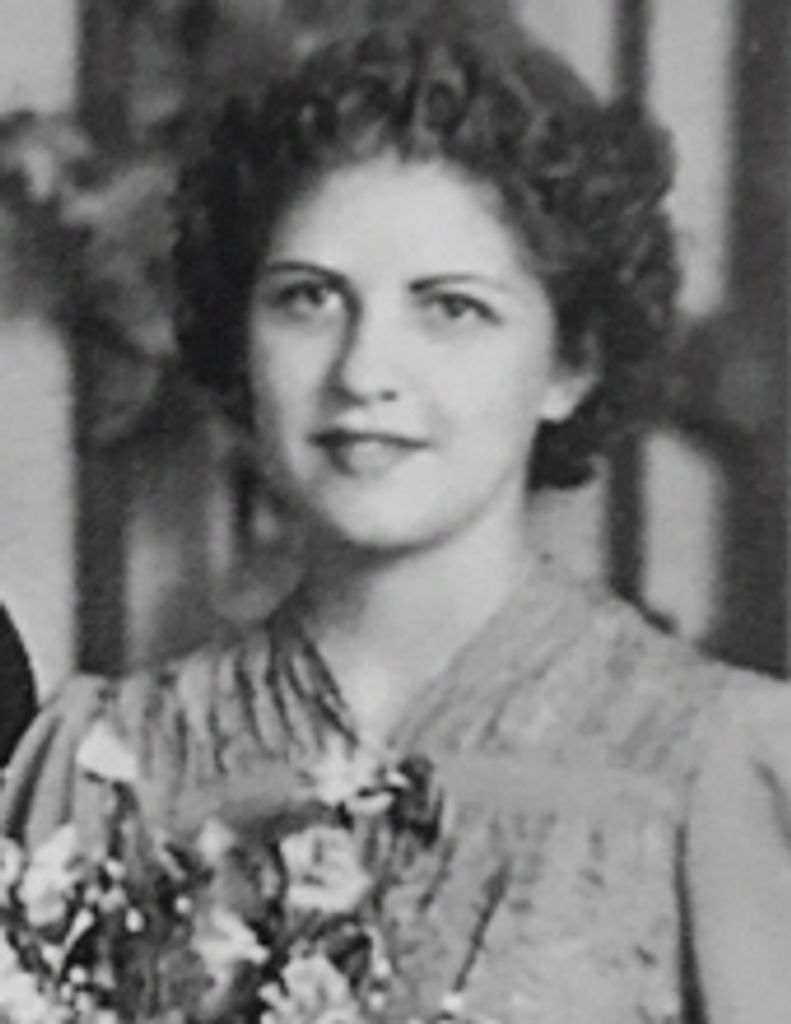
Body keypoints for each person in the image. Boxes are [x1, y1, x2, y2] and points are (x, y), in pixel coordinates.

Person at [1, 6, 788, 1021]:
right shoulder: (105, 764)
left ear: (570, 363)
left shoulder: (712, 765)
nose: (364, 370)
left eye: (451, 308)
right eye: (308, 299)